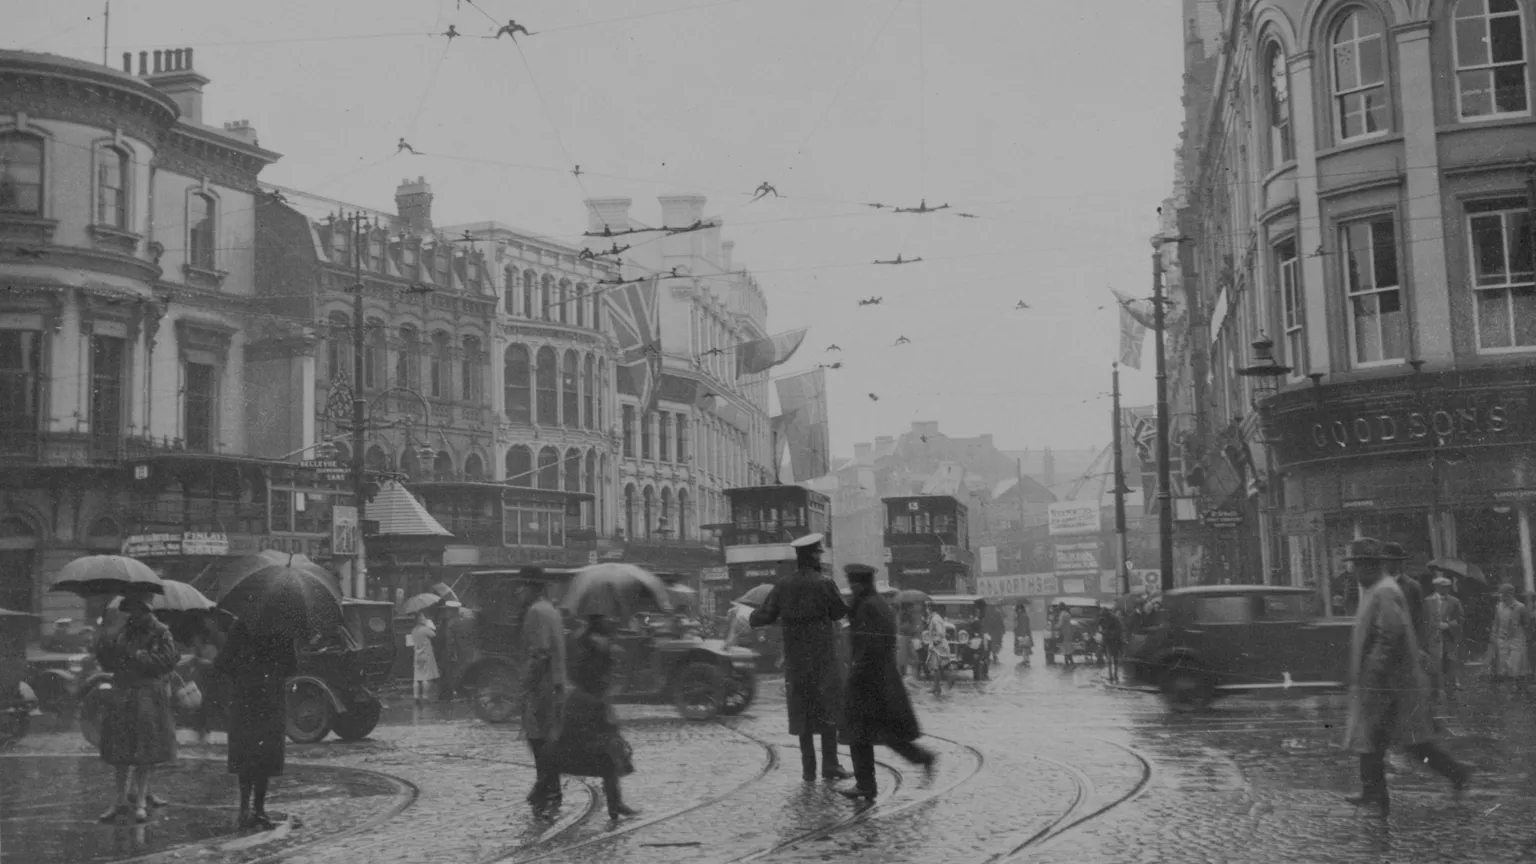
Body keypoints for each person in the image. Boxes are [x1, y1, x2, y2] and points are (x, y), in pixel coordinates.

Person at [1342, 538, 1470, 812]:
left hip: (1390, 684)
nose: (1353, 572)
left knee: (1395, 740)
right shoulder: (1376, 589)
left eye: (1355, 566)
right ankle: (1376, 792)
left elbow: (1391, 633)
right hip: (1388, 682)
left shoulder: (1384, 592)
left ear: (1367, 566)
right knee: (1386, 739)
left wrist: (1374, 673)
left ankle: (1455, 773)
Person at [749, 533, 852, 782]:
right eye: (819, 554)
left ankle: (808, 769)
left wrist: (753, 613)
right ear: (814, 556)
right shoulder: (825, 583)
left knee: (803, 712)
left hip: (796, 661)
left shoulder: (783, 585)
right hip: (823, 658)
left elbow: (761, 617)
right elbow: (839, 612)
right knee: (827, 711)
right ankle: (831, 765)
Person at [838, 564, 936, 800]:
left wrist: (856, 673)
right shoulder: (874, 604)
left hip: (869, 681)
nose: (852, 588)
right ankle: (922, 757)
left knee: (859, 735)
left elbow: (869, 645)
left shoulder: (868, 607)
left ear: (861, 584)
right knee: (888, 734)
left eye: (853, 584)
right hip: (882, 680)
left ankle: (865, 784)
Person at [94, 591, 180, 823]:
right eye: (128, 610)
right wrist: (103, 644)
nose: (131, 615)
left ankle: (141, 800)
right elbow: (110, 662)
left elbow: (167, 661)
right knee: (120, 752)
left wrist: (137, 657)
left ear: (146, 610)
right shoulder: (123, 631)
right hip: (123, 693)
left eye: (135, 610)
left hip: (147, 695)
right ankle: (120, 800)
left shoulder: (162, 632)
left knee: (145, 752)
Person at [213, 620, 298, 831]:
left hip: (245, 700)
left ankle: (244, 808)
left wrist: (242, 672)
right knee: (265, 755)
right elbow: (292, 667)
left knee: (246, 753)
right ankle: (259, 809)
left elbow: (221, 662)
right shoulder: (282, 630)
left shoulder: (240, 626)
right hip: (270, 699)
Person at [556, 614, 638, 819]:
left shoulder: (587, 645)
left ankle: (616, 802)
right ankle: (615, 803)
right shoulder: (590, 651)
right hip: (577, 748)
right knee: (610, 752)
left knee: (611, 746)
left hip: (587, 710)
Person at [519, 568, 568, 809]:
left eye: (521, 587)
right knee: (547, 737)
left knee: (537, 738)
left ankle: (545, 787)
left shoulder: (536, 612)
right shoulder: (551, 610)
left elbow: (539, 653)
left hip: (542, 685)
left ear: (532, 588)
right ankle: (551, 787)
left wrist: (526, 686)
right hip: (556, 683)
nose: (518, 592)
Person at [1423, 575, 1463, 700]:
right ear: (1436, 587)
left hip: (1448, 638)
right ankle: (1433, 693)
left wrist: (1449, 625)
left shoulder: (1454, 601)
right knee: (1433, 666)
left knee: (1449, 665)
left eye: (1447, 587)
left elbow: (1461, 619)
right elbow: (1423, 620)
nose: (1445, 590)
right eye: (1442, 587)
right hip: (1432, 639)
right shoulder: (1427, 601)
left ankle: (1450, 693)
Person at [1382, 543, 1425, 652]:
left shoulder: (1412, 586)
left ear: (1399, 562)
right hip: (1383, 645)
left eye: (1392, 561)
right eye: (1385, 561)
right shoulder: (1378, 586)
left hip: (1407, 645)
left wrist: (1419, 646)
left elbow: (1420, 619)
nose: (1387, 564)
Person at [1489, 582, 1531, 687]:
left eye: (1504, 594)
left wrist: (1519, 633)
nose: (1502, 597)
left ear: (1510, 594)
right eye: (1501, 594)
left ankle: (1517, 687)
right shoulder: (1499, 606)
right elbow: (1496, 622)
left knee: (1515, 664)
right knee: (1503, 664)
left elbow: (1526, 623)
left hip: (1516, 639)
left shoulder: (1520, 607)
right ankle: (1508, 687)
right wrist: (1494, 634)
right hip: (1502, 638)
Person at [447, 603, 478, 701]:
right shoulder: (469, 622)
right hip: (471, 650)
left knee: (457, 671)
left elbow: (449, 640)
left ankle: (456, 691)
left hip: (458, 651)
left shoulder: (452, 623)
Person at [410, 613, 439, 705]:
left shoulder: (414, 630)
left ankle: (416, 696)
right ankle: (425, 696)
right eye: (423, 617)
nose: (425, 619)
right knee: (427, 677)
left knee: (417, 677)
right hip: (427, 655)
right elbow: (434, 635)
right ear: (420, 620)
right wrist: (430, 626)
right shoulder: (425, 629)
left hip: (417, 655)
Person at [976, 598, 1005, 673]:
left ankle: (986, 658)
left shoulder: (984, 612)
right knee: (994, 644)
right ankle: (993, 656)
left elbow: (982, 621)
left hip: (986, 632)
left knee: (986, 646)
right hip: (995, 632)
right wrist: (1002, 630)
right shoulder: (997, 612)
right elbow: (1001, 623)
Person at [1099, 607, 1124, 683]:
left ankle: (1114, 674)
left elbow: (1119, 628)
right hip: (1108, 640)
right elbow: (1100, 628)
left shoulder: (1114, 619)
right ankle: (1111, 675)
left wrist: (1110, 632)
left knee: (1114, 658)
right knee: (1110, 658)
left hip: (1114, 640)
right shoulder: (1103, 619)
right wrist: (1103, 631)